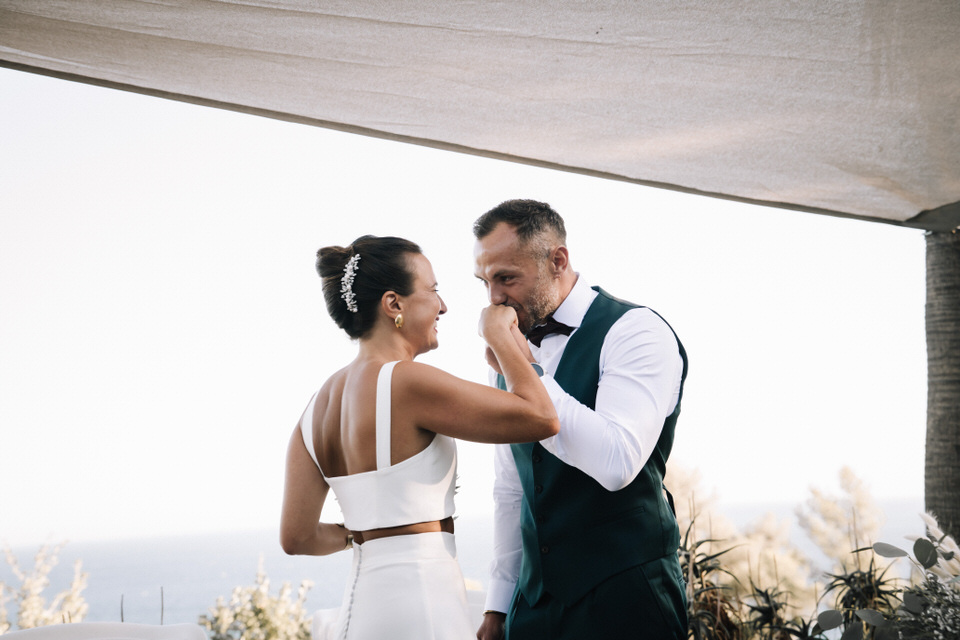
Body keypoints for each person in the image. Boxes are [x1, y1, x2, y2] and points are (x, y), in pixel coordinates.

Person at [280, 234, 559, 640]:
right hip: (422, 606)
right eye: (433, 290)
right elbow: (542, 417)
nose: (443, 306)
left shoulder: (314, 409)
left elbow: (297, 538)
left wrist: (370, 534)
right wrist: (500, 338)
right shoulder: (407, 382)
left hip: (359, 612)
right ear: (394, 304)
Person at [473, 200, 689, 640]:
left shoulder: (636, 331)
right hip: (533, 609)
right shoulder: (507, 357)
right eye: (485, 282)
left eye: (506, 278)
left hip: (628, 602)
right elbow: (512, 487)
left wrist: (524, 370)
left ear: (558, 261)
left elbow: (616, 463)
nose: (494, 299)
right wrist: (498, 603)